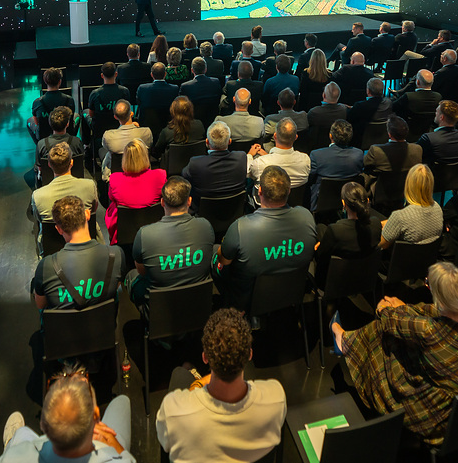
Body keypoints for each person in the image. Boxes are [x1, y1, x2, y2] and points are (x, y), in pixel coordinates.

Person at [329, 263, 458, 443]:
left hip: (438, 418)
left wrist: (386, 308)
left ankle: (344, 341)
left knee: (384, 333)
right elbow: (428, 311)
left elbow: (390, 319)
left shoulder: (430, 331)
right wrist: (404, 307)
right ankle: (346, 341)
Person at [156, 309, 286, 463]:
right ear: (249, 355)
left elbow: (165, 446)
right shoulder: (275, 397)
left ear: (205, 357)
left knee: (180, 373)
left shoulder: (173, 411)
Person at [214, 165, 317, 309]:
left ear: (259, 191)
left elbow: (223, 261)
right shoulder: (307, 217)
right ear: (289, 191)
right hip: (292, 294)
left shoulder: (240, 227)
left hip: (248, 300)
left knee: (215, 251)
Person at [0, 371, 133, 463]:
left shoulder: (12, 459)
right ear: (96, 415)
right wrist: (117, 447)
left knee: (22, 433)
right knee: (122, 401)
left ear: (44, 424)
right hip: (101, 445)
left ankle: (11, 442)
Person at [127, 177, 215, 313]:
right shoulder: (206, 226)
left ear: (162, 202)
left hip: (160, 313)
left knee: (131, 276)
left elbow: (142, 271)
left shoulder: (145, 234)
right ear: (189, 201)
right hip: (198, 307)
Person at [33, 196, 124, 310]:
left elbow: (40, 305)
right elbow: (116, 286)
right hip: (103, 325)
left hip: (64, 327)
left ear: (59, 229)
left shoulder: (47, 266)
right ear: (87, 214)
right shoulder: (116, 254)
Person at [313, 182, 384, 287]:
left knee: (320, 228)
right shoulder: (376, 224)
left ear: (343, 204)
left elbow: (320, 256)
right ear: (367, 201)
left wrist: (321, 244)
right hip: (364, 278)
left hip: (334, 281)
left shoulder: (335, 230)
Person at [107, 140, 167, 244]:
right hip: (155, 236)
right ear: (145, 156)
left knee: (113, 207)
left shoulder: (115, 179)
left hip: (124, 237)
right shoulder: (160, 176)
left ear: (125, 158)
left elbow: (112, 198)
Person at [32, 142, 100, 226]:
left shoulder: (38, 196)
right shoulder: (90, 186)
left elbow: (39, 220)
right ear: (71, 162)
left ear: (49, 164)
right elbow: (93, 210)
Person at [379, 163, 443, 248]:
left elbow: (381, 245)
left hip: (400, 260)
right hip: (429, 260)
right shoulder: (438, 209)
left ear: (409, 184)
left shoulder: (399, 216)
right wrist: (391, 223)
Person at [181, 121, 251, 199]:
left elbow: (184, 175)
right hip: (236, 209)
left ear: (207, 142)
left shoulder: (195, 163)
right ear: (229, 141)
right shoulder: (241, 157)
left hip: (203, 210)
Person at [308, 119, 365, 209]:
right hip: (350, 199)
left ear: (331, 136)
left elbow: (310, 178)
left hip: (322, 202)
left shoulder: (317, 155)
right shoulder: (358, 154)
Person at [248, 118, 311, 193]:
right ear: (296, 137)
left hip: (264, 204)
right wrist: (267, 155)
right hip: (296, 204)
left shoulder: (260, 163)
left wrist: (249, 155)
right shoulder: (305, 160)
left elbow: (246, 173)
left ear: (275, 136)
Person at [31, 106, 85, 188]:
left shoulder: (41, 144)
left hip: (49, 184)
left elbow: (40, 168)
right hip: (74, 182)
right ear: (67, 124)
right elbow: (80, 162)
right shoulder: (77, 142)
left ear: (50, 123)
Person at [101, 100, 154, 178]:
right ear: (131, 113)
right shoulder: (147, 132)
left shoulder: (108, 136)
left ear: (115, 117)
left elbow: (105, 146)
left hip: (118, 175)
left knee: (106, 153)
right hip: (142, 172)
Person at [86, 63, 132, 143]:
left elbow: (91, 114)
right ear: (116, 74)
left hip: (100, 130)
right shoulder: (124, 91)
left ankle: (86, 145)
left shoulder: (94, 93)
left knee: (85, 113)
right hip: (119, 127)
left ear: (102, 75)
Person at [151, 96, 206, 162]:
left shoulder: (166, 132)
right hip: (197, 168)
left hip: (172, 170)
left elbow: (156, 152)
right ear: (190, 109)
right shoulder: (199, 125)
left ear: (173, 111)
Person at [347, 77, 393, 146]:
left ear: (368, 91)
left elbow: (349, 119)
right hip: (383, 140)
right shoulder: (388, 104)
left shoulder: (360, 106)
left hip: (361, 141)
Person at [180, 57, 222, 123]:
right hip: (212, 120)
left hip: (193, 121)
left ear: (192, 70)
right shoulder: (215, 82)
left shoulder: (185, 87)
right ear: (205, 69)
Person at [138, 63, 179, 128]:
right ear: (165, 74)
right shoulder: (174, 89)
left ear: (151, 75)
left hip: (148, 126)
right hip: (169, 125)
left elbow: (139, 104)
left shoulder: (142, 89)